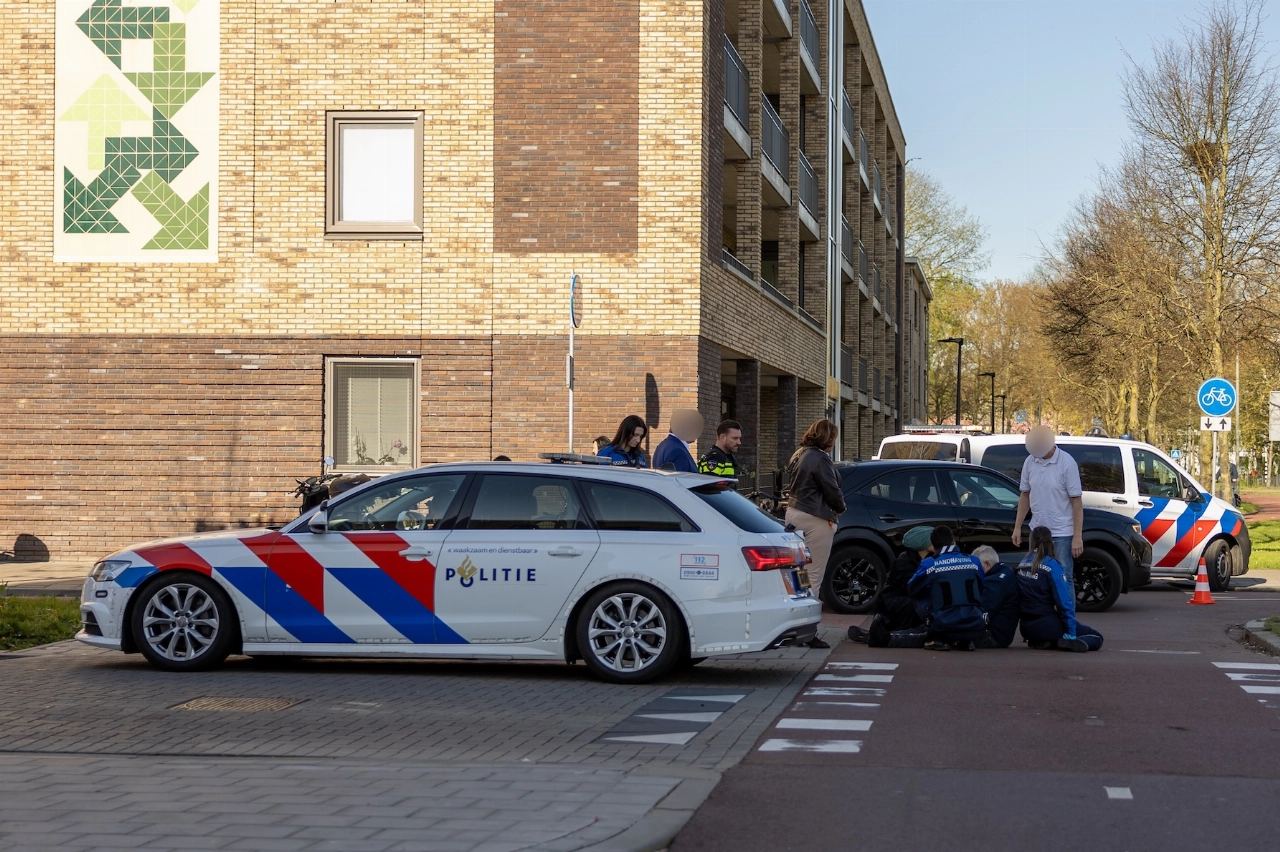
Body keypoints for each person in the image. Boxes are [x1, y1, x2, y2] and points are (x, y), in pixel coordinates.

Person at [783, 419, 846, 648]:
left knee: (798, 575)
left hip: (794, 513)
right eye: (833, 438)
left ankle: (792, 627)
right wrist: (840, 508)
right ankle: (808, 632)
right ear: (827, 438)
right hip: (816, 518)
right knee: (814, 576)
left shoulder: (799, 454)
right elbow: (832, 490)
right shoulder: (820, 458)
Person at [1012, 425, 1083, 585]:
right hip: (1037, 531)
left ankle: (1066, 610)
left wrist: (1077, 537)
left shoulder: (1067, 463)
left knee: (1064, 576)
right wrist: (1017, 527)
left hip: (1061, 532)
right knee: (1035, 574)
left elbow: (1076, 501)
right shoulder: (1030, 461)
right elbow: (1025, 495)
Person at [1017, 526, 1103, 652]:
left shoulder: (1022, 564)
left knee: (1051, 628)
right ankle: (1065, 641)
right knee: (1096, 637)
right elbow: (1064, 603)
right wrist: (1071, 633)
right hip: (1046, 623)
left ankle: (1046, 641)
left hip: (1026, 628)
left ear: (1032, 541)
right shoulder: (1051, 565)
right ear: (1051, 542)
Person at [906, 526, 986, 651]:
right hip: (974, 623)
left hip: (943, 625)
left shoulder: (930, 563)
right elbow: (981, 587)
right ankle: (964, 640)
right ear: (953, 542)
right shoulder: (974, 561)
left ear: (933, 546)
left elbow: (912, 589)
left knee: (920, 593)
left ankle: (936, 638)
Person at [849, 524, 932, 645]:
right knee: (915, 606)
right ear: (923, 543)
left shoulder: (923, 559)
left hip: (900, 604)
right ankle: (882, 636)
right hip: (895, 607)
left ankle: (875, 635)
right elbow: (911, 588)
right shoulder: (904, 562)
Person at [972, 545, 1019, 649]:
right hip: (1001, 634)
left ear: (987, 564)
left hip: (992, 636)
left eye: (977, 567)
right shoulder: (1006, 571)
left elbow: (983, 614)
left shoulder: (995, 583)